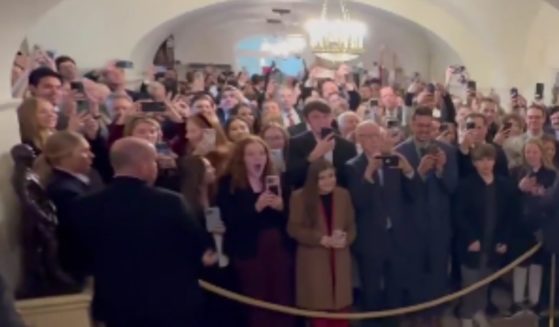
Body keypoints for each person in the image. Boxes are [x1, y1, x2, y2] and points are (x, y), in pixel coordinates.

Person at [68, 137, 217, 327]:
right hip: (171, 303)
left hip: (117, 306)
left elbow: (79, 257)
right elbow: (199, 247)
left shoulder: (85, 205)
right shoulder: (170, 202)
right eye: (154, 161)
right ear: (144, 165)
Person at [346, 121, 418, 327]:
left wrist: (408, 170)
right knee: (371, 288)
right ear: (358, 139)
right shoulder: (353, 166)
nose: (372, 141)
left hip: (396, 236)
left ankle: (393, 323)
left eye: (376, 136)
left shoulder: (394, 161)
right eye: (366, 137)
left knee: (395, 285)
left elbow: (414, 194)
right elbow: (358, 203)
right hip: (370, 238)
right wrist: (368, 174)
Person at [217, 136, 295, 327]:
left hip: (277, 246)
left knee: (282, 294)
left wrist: (281, 208)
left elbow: (292, 218)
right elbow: (227, 219)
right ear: (241, 158)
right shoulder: (228, 184)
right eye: (251, 154)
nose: (257, 158)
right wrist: (255, 208)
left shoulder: (277, 180)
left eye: (261, 153)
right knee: (256, 297)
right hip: (248, 248)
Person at [395, 107, 459, 326]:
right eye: (419, 125)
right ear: (412, 125)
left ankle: (435, 316)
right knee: (414, 273)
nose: (424, 130)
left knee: (439, 273)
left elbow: (452, 187)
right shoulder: (399, 152)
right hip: (411, 226)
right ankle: (415, 317)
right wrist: (419, 173)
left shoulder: (448, 151)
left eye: (428, 126)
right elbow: (398, 194)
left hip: (439, 225)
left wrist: (441, 170)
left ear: (434, 126)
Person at [455, 144, 519, 327]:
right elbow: (459, 215)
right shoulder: (466, 185)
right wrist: (470, 239)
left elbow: (509, 216)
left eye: (489, 159)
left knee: (485, 281)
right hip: (472, 243)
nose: (485, 164)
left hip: (494, 243)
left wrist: (504, 240)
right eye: (481, 160)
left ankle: (478, 311)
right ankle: (466, 315)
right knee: (470, 283)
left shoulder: (504, 185)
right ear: (474, 163)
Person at [288, 159, 356, 327]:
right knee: (319, 313)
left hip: (339, 258)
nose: (328, 181)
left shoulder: (343, 194)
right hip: (314, 260)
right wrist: (320, 239)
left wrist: (345, 238)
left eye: (331, 176)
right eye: (322, 177)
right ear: (313, 179)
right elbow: (293, 228)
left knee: (341, 312)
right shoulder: (299, 197)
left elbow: (351, 224)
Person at [37, 131, 96, 281]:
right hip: (78, 262)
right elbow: (80, 232)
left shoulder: (72, 184)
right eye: (84, 151)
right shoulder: (65, 191)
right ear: (64, 156)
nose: (91, 155)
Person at [511, 139, 557, 315]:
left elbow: (553, 201)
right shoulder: (517, 171)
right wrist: (519, 188)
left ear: (541, 153)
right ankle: (517, 300)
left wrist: (541, 194)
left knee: (537, 263)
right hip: (520, 224)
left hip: (541, 225)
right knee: (519, 263)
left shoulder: (552, 175)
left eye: (534, 152)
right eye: (528, 152)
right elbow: (510, 199)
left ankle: (534, 300)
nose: (531, 155)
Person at [287, 100, 357, 189]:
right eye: (316, 117)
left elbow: (351, 178)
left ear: (332, 118)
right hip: (308, 195)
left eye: (326, 116)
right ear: (306, 120)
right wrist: (313, 156)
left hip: (338, 196)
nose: (322, 121)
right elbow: (292, 178)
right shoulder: (295, 143)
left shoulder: (347, 146)